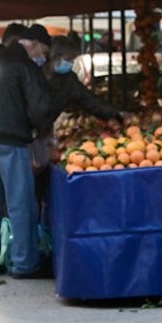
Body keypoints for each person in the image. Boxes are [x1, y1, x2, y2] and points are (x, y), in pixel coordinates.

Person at [0, 24, 55, 278]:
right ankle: (25, 263)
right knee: (20, 203)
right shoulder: (25, 65)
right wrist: (42, 130)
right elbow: (40, 109)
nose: (43, 58)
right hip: (11, 141)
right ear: (35, 44)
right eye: (44, 52)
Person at [32, 35, 123, 217]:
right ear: (56, 58)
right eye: (69, 59)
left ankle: (40, 224)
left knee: (40, 183)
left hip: (45, 137)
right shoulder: (33, 74)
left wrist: (116, 113)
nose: (71, 63)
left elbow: (89, 101)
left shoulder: (68, 81)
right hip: (27, 136)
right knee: (27, 188)